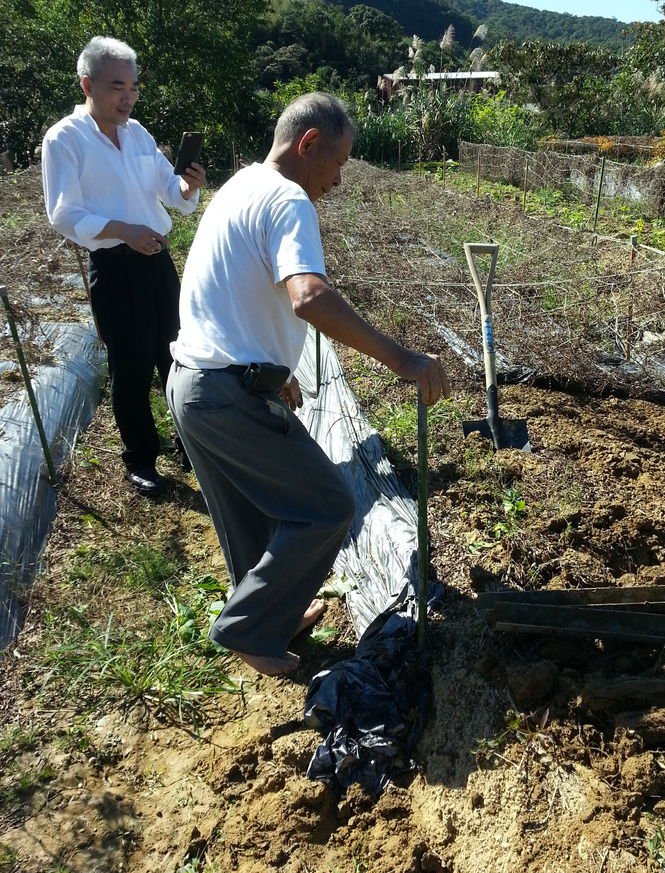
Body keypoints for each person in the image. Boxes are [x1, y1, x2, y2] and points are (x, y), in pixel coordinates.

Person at [167, 92, 450, 676]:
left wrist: (273, 371)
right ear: (310, 144)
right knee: (325, 506)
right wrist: (402, 359)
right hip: (226, 393)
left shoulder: (240, 184)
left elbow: (233, 289)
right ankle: (247, 628)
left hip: (196, 382)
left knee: (250, 514)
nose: (339, 180)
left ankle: (272, 613)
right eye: (339, 162)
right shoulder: (289, 199)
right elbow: (308, 295)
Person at [42, 36, 206, 496]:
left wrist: (189, 187)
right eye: (118, 86)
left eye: (133, 86)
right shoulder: (65, 139)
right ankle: (140, 459)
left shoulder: (139, 134)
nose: (128, 96)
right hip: (114, 268)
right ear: (86, 84)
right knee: (131, 367)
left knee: (176, 356)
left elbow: (169, 194)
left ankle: (190, 442)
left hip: (157, 263)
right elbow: (63, 213)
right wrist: (123, 230)